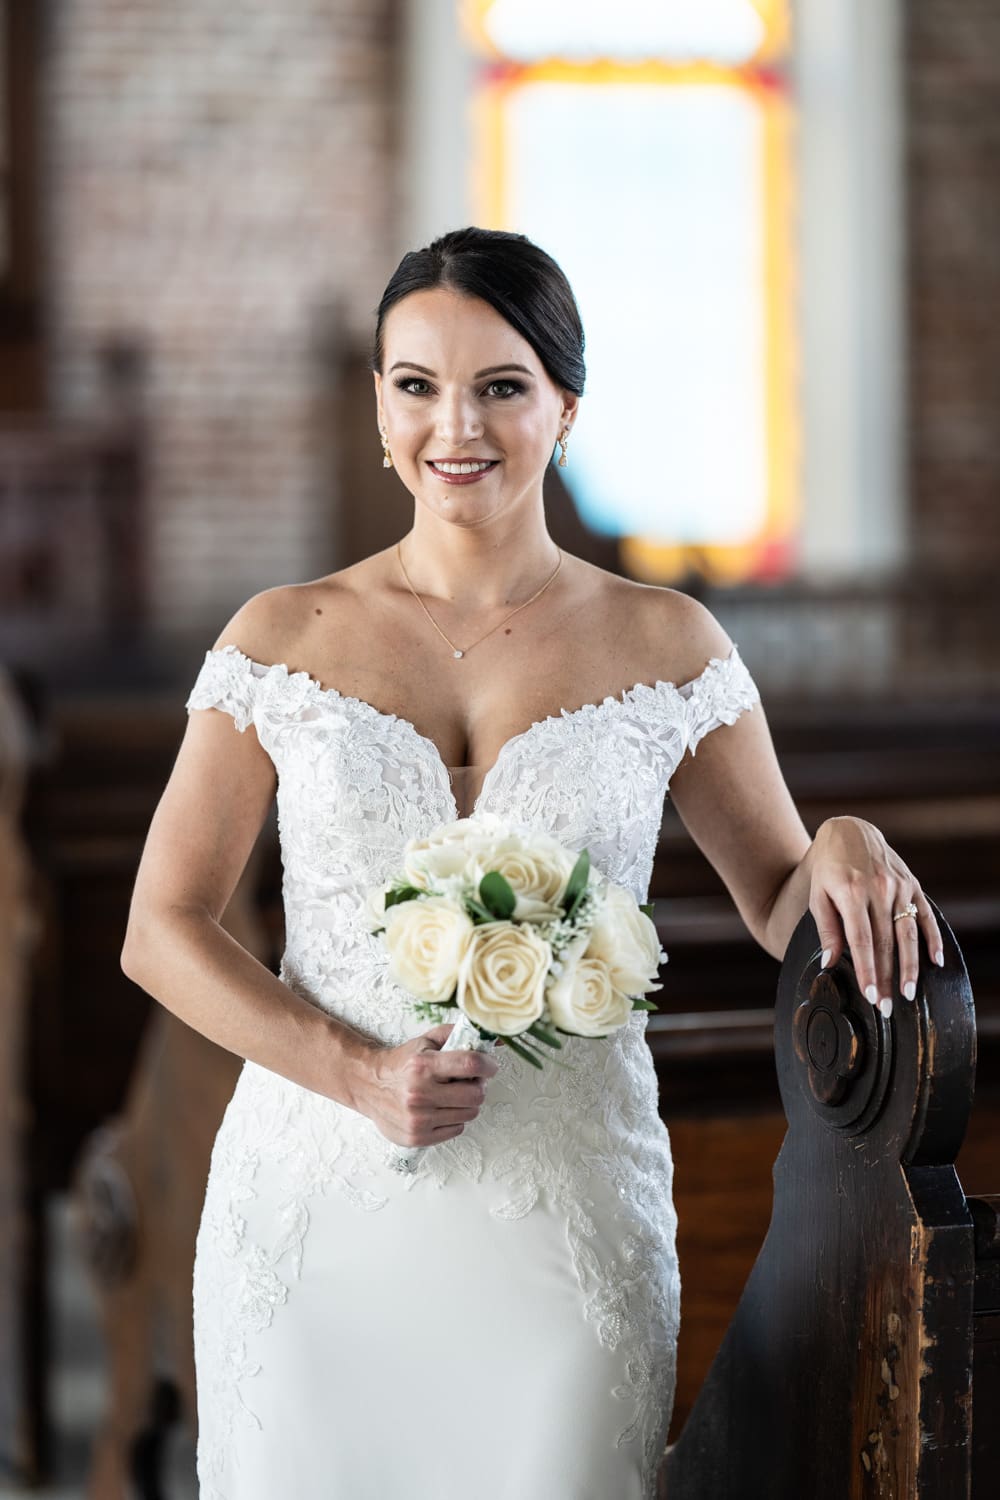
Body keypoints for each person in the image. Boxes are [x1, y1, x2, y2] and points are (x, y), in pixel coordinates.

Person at [120, 226, 942, 1500]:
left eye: (501, 385)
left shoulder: (667, 640)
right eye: (415, 384)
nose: (456, 427)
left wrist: (842, 840)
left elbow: (783, 897)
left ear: (565, 405)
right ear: (379, 405)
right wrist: (350, 1069)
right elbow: (160, 927)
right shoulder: (280, 639)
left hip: (566, 1220)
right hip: (313, 1219)